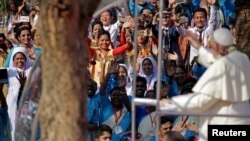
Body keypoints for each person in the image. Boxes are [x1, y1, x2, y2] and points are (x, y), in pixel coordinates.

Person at [160, 27, 250, 141]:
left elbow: (202, 100)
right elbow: (215, 59)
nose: (210, 49)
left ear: (218, 47)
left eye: (211, 46)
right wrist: (197, 45)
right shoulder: (241, 58)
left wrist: (173, 102)